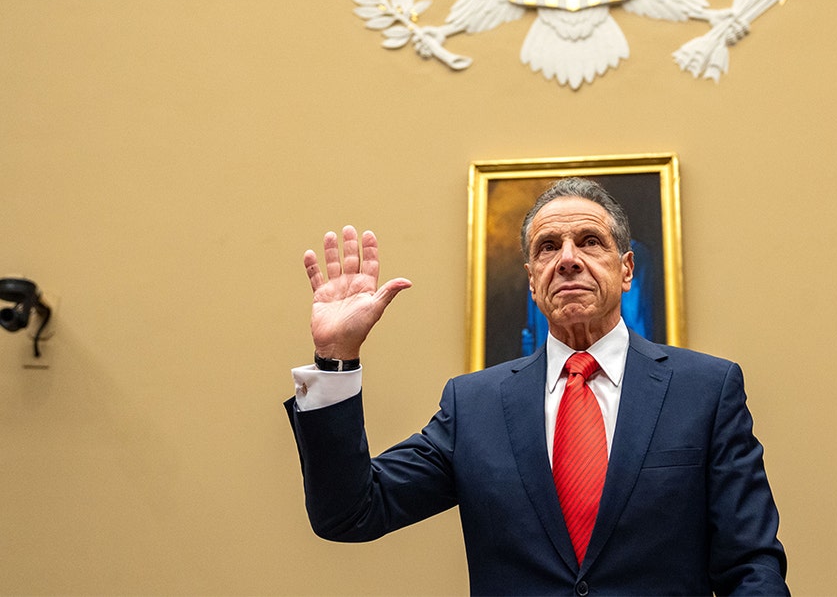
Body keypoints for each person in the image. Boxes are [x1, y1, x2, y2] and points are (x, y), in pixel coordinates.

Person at [284, 177, 788, 595]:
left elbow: (751, 567)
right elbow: (350, 513)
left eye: (590, 241)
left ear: (627, 268)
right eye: (548, 247)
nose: (567, 258)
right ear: (532, 278)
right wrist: (335, 359)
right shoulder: (474, 406)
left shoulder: (705, 390)